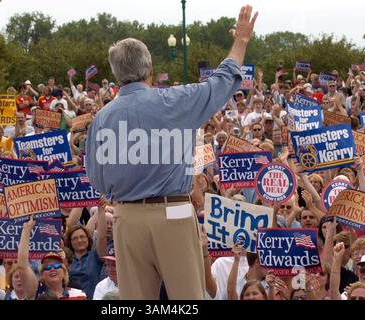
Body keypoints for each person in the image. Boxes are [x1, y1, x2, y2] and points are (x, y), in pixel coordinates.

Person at [86, 5, 258, 300]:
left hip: (126, 218)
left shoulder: (101, 118)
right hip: (174, 212)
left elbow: (97, 182)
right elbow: (223, 81)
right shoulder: (175, 101)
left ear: (116, 74)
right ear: (150, 69)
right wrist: (240, 40)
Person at [17, 216, 87, 300]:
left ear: (64, 272)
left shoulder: (79, 294)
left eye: (57, 266)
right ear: (42, 274)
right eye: (47, 267)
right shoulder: (36, 292)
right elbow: (22, 266)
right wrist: (26, 229)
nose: (52, 269)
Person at [65, 204, 107, 299]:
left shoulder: (96, 256)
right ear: (70, 242)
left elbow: (102, 236)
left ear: (88, 239)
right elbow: (71, 223)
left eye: (82, 237)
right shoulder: (65, 259)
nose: (79, 240)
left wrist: (101, 210)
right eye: (75, 238)